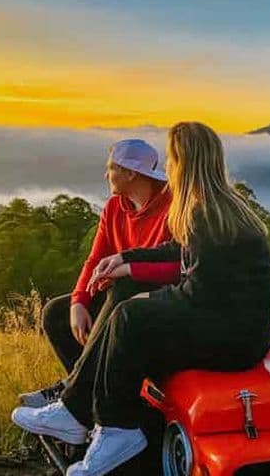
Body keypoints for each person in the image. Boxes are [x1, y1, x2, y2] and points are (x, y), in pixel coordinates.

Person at [12, 122, 270, 476]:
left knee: (129, 316)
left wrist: (147, 295)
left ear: (184, 163)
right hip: (233, 324)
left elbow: (196, 291)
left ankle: (112, 428)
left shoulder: (207, 215)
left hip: (236, 338)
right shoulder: (215, 206)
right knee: (126, 310)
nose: (167, 167)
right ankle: (81, 414)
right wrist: (127, 259)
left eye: (171, 159)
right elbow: (179, 250)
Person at [18, 139, 180, 408]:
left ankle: (72, 395)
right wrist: (78, 302)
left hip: (155, 303)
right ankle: (89, 398)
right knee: (55, 313)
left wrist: (130, 269)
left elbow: (181, 268)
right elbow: (95, 258)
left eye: (111, 168)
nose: (106, 175)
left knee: (123, 288)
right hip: (121, 296)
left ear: (130, 173)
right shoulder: (115, 207)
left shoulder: (173, 209)